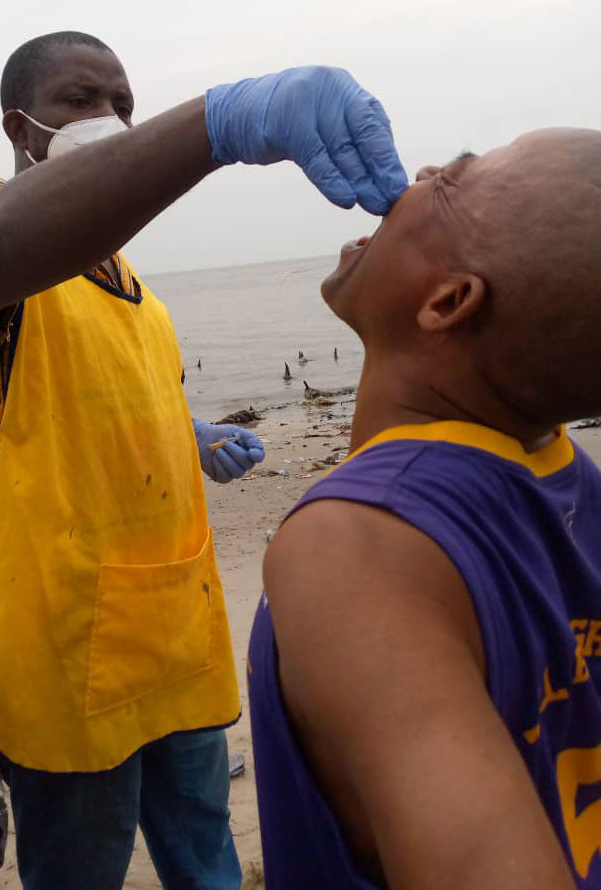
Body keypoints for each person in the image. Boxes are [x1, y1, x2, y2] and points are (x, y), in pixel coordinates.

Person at [0, 30, 406, 890]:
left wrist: (191, 432)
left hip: (174, 621)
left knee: (204, 848)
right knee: (82, 865)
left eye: (125, 102)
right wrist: (213, 127)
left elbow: (110, 402)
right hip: (54, 634)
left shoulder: (140, 294)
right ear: (20, 129)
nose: (111, 117)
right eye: (81, 100)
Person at [248, 128, 601, 888]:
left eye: (449, 180)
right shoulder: (568, 474)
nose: (418, 175)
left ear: (446, 302)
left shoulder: (357, 547)